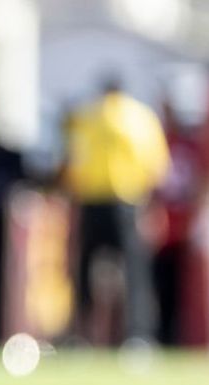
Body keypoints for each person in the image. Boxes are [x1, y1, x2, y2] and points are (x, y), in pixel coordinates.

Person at [63, 76, 170, 345]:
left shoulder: (88, 116)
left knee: (83, 269)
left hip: (92, 200)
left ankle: (80, 334)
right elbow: (157, 167)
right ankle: (138, 335)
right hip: (128, 201)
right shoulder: (142, 118)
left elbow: (74, 162)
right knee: (136, 273)